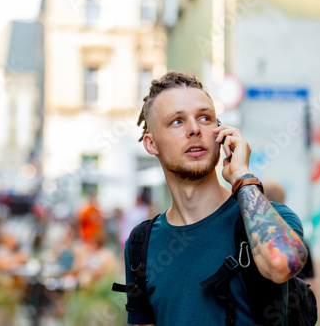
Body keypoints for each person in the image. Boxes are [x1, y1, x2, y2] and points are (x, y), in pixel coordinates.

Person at [123, 71, 308, 325]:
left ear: (221, 132)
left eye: (205, 118)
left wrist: (242, 176)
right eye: (177, 121)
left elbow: (284, 263)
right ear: (151, 144)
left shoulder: (268, 219)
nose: (195, 129)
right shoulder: (139, 245)